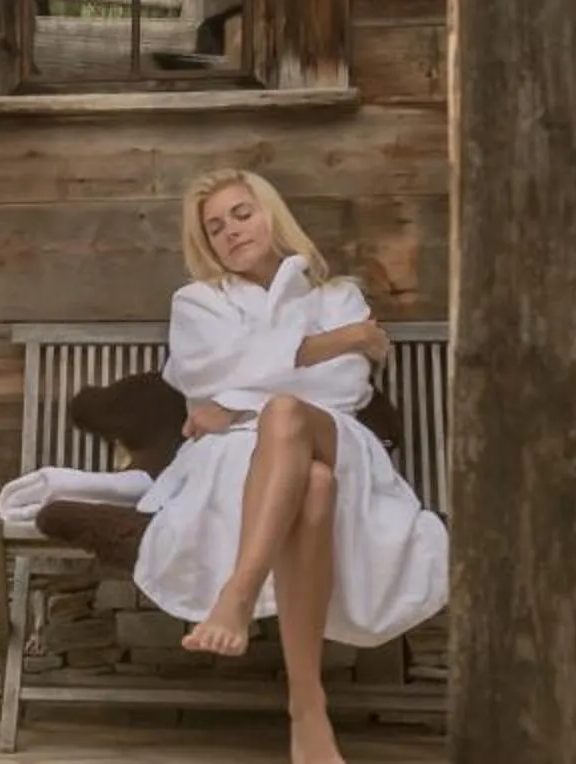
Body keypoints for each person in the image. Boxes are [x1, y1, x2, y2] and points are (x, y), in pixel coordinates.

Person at [132, 168, 449, 764]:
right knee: (313, 484)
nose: (231, 231)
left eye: (241, 213)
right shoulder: (198, 302)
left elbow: (345, 385)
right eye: (215, 227)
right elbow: (203, 373)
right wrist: (339, 340)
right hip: (240, 458)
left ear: (271, 212)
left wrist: (234, 397)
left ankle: (238, 594)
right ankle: (308, 708)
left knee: (288, 417)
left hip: (334, 433)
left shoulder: (337, 295)